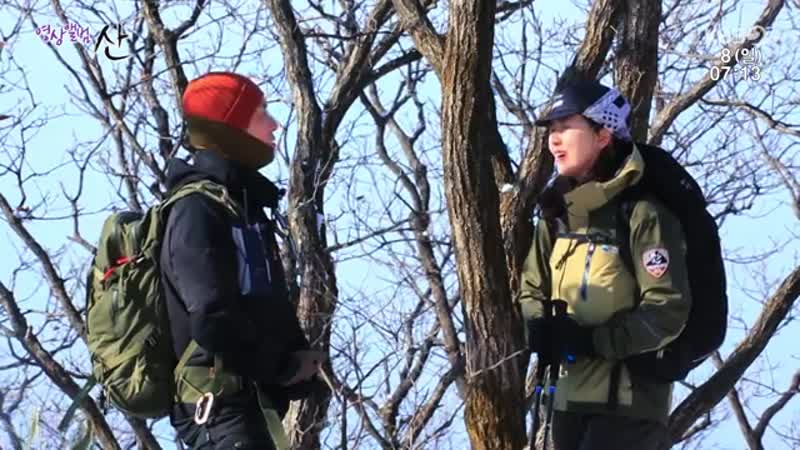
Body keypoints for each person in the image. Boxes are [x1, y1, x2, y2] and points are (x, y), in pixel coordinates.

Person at [519, 79, 692, 450]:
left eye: (566, 126)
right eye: (551, 129)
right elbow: (531, 287)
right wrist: (540, 326)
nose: (554, 139)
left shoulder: (642, 214)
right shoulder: (557, 214)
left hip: (628, 406)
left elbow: (667, 308)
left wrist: (592, 340)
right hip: (565, 400)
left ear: (603, 135)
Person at [160, 72, 326, 449]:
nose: (275, 124)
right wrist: (281, 368)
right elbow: (212, 317)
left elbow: (259, 306)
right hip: (221, 413)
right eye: (261, 113)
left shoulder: (241, 207)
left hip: (248, 410)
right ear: (229, 125)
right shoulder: (197, 209)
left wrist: (295, 366)